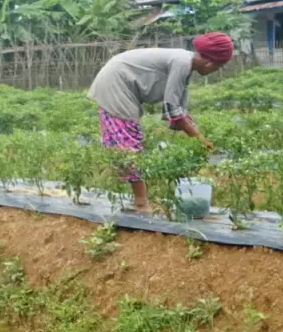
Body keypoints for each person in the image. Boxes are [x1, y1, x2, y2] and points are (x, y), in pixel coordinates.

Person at [87, 32, 235, 213]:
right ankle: (141, 204)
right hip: (116, 83)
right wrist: (201, 140)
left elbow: (178, 109)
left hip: (117, 80)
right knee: (128, 144)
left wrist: (190, 131)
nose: (216, 71)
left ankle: (139, 200)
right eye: (219, 67)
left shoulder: (185, 63)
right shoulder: (182, 62)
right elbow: (172, 110)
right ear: (210, 63)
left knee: (125, 146)